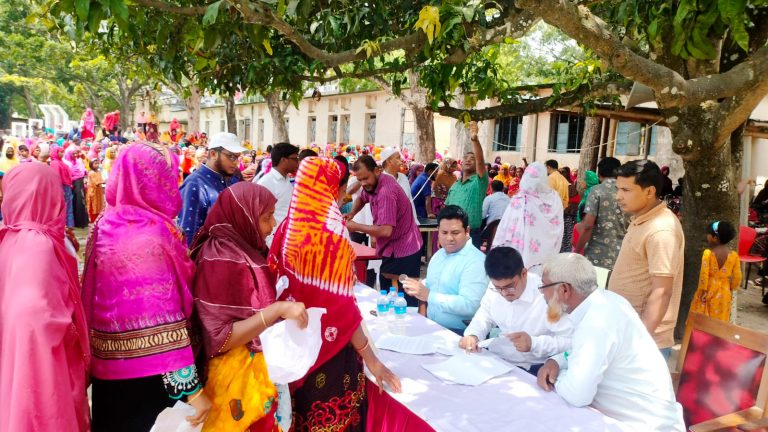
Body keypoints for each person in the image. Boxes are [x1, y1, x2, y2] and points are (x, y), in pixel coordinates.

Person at [82, 143, 211, 431]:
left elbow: (88, 299)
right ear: (154, 179)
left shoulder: (103, 226)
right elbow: (164, 321)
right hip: (153, 375)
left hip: (108, 368)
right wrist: (191, 389)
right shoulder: (152, 235)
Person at [269, 157, 401, 430]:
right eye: (341, 188)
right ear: (332, 188)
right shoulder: (332, 235)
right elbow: (342, 306)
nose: (343, 194)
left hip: (294, 346)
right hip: (330, 350)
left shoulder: (286, 228)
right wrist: (373, 362)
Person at [190, 182, 308, 431]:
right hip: (234, 383)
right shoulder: (222, 258)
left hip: (251, 376)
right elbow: (220, 338)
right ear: (242, 217)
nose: (273, 225)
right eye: (266, 217)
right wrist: (275, 311)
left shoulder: (241, 248)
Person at [536, 253, 685, 431]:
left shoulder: (596, 321)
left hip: (641, 426)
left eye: (544, 286)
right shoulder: (607, 301)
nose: (542, 293)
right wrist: (556, 361)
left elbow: (577, 395)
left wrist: (557, 378)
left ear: (564, 290)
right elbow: (582, 352)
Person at [0, 163, 91, 431]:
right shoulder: (37, 245)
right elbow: (37, 316)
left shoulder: (11, 238)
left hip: (18, 356)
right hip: (40, 363)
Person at [608, 160, 684, 358]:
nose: (618, 196)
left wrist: (640, 340)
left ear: (649, 192)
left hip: (644, 340)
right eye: (618, 189)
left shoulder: (661, 230)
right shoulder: (643, 218)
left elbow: (662, 291)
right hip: (626, 330)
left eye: (626, 190)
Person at [459, 247, 571, 374]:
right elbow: (485, 314)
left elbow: (569, 341)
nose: (504, 293)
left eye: (509, 287)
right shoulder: (495, 287)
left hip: (536, 366)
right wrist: (473, 334)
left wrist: (534, 343)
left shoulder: (547, 295)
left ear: (524, 274)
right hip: (500, 358)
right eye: (498, 288)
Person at [402, 205, 489, 333]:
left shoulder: (475, 261)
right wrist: (419, 286)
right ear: (438, 231)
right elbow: (435, 283)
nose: (449, 238)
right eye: (444, 233)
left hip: (461, 333)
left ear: (467, 231)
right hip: (432, 325)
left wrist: (428, 295)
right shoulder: (439, 255)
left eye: (455, 233)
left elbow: (470, 305)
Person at [346, 155, 423, 298]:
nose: (363, 183)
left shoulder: (386, 192)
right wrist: (352, 213)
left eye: (365, 178)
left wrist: (356, 226)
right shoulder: (375, 182)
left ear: (377, 170)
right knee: (388, 293)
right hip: (392, 248)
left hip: (404, 249)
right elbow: (362, 198)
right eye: (359, 180)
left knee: (403, 298)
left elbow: (386, 230)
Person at [492, 162, 564, 275]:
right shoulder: (554, 198)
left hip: (518, 259)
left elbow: (505, 229)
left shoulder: (520, 199)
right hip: (543, 258)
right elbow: (558, 224)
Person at [179, 132, 245, 246]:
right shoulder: (195, 184)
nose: (235, 162)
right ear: (213, 154)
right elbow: (188, 234)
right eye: (231, 156)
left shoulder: (230, 179)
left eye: (237, 157)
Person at [573, 157, 628, 270]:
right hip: (623, 255)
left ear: (600, 173)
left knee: (597, 287)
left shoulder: (597, 191)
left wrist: (577, 251)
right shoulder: (628, 192)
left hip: (597, 255)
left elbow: (588, 225)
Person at [446, 122, 488, 247]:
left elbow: (481, 162)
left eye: (472, 158)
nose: (468, 160)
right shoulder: (455, 185)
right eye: (466, 158)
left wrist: (475, 140)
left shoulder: (479, 182)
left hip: (471, 234)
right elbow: (446, 209)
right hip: (450, 233)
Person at [690, 221, 741, 322]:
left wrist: (703, 291)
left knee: (703, 320)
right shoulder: (734, 255)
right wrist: (731, 287)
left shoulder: (708, 254)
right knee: (720, 321)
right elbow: (737, 277)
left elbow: (704, 275)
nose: (707, 235)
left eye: (708, 233)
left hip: (709, 290)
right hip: (725, 293)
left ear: (715, 238)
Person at [256, 142, 300, 246]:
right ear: (283, 160)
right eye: (294, 159)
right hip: (273, 242)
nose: (297, 163)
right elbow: (258, 217)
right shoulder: (266, 182)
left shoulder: (286, 180)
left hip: (287, 239)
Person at [380, 146, 419, 221]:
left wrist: (415, 223)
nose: (402, 160)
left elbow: (410, 202)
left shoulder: (403, 178)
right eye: (398, 158)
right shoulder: (380, 181)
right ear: (389, 161)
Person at [63, 145, 89, 228]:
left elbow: (83, 170)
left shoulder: (78, 161)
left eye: (76, 153)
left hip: (79, 183)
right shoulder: (66, 163)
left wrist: (83, 174)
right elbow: (67, 175)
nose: (75, 155)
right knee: (74, 203)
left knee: (80, 202)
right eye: (73, 154)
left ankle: (81, 222)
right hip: (72, 184)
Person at [50, 145, 75, 227]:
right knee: (63, 207)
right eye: (60, 152)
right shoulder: (55, 163)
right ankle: (63, 225)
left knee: (67, 206)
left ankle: (68, 224)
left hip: (66, 186)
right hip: (61, 187)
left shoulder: (61, 162)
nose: (62, 154)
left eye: (63, 152)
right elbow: (56, 177)